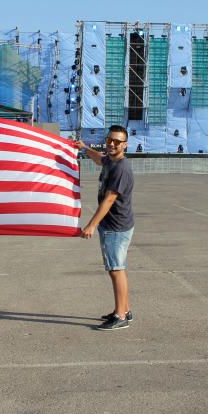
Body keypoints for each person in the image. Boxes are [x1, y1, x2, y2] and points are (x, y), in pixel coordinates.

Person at [76, 125, 135, 331]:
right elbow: (99, 158)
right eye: (110, 140)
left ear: (125, 145)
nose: (112, 144)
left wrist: (92, 225)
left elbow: (110, 199)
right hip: (115, 224)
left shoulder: (121, 169)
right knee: (117, 268)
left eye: (117, 142)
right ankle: (124, 310)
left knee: (116, 269)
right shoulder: (110, 160)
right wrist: (84, 148)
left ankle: (120, 316)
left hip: (115, 226)